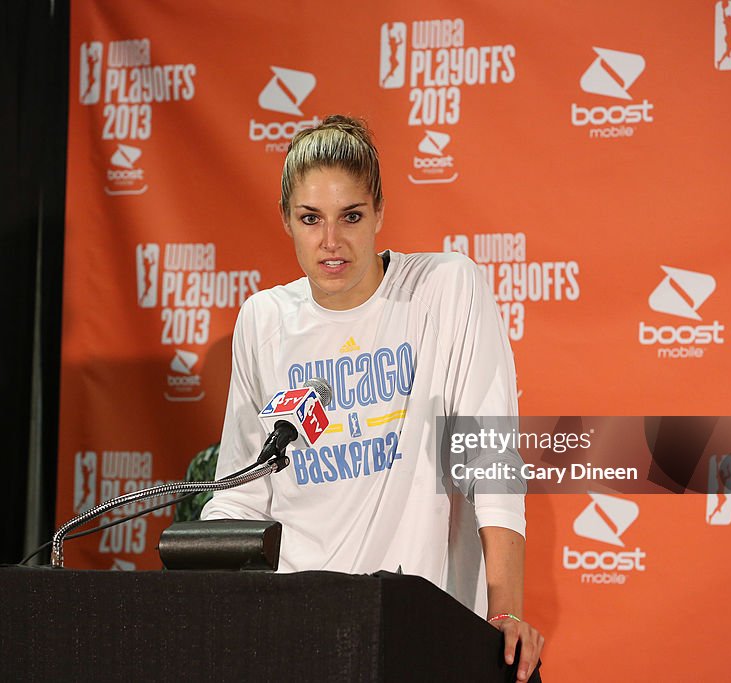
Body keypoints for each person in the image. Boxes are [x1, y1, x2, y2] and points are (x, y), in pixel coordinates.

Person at [200, 115, 543, 680]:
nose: (331, 242)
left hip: (415, 631)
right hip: (296, 631)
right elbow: (240, 493)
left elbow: (491, 461)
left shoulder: (444, 289)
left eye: (351, 216)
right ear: (287, 219)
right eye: (311, 218)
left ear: (380, 212)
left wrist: (505, 612)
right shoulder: (264, 320)